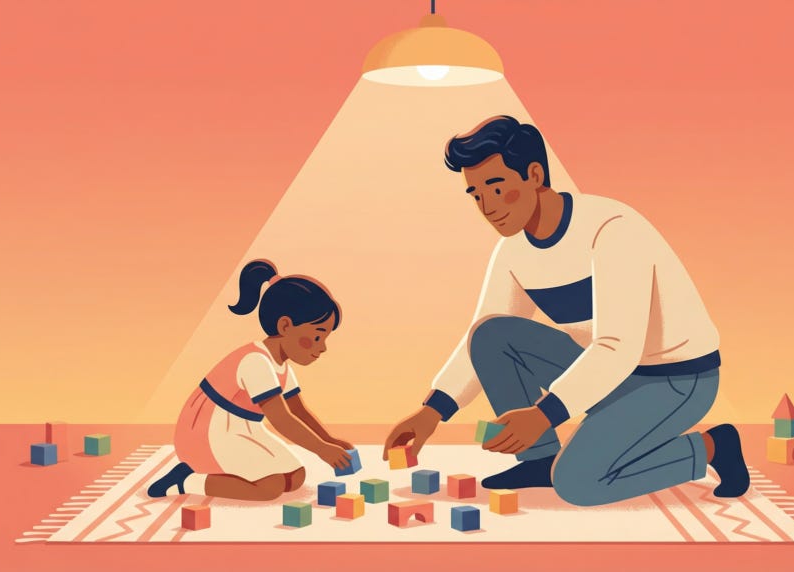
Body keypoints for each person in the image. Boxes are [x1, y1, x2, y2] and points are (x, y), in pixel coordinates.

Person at [383, 115, 749, 506]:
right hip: (607, 376)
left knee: (578, 483)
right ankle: (539, 458)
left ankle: (712, 447)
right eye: (475, 195)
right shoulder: (513, 251)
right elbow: (482, 335)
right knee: (492, 334)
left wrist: (543, 414)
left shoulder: (612, 228)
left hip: (675, 380)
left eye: (496, 187)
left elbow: (618, 346)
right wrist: (431, 413)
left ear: (534, 175)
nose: (486, 207)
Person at [148, 259, 354, 501]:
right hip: (207, 432)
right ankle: (185, 480)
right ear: (286, 325)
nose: (322, 348)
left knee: (294, 478)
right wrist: (321, 449)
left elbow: (298, 411)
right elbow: (281, 418)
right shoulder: (255, 361)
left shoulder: (280, 365)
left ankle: (208, 476)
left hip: (242, 429)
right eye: (317, 337)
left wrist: (328, 441)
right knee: (270, 487)